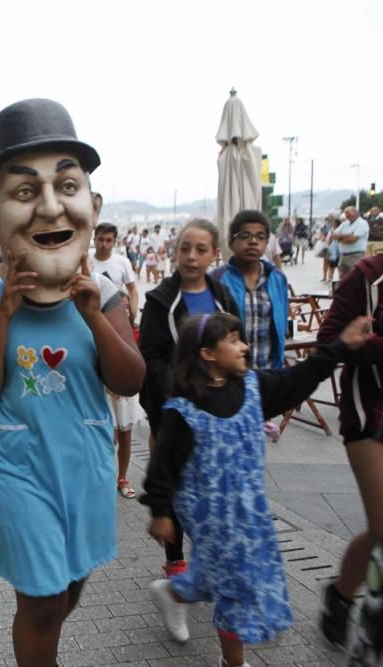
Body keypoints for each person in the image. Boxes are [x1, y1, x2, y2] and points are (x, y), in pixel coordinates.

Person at [0, 98, 145, 665]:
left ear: (92, 204)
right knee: (41, 599)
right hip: (16, 466)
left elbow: (131, 377)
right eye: (22, 192)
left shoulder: (104, 296)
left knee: (70, 584)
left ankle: (42, 642)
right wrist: (8, 313)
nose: (48, 207)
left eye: (66, 186)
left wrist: (93, 315)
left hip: (84, 461)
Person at [141, 312, 369, 667]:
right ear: (207, 353)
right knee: (234, 585)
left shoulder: (253, 388)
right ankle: (234, 662)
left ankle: (173, 592)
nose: (244, 346)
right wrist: (161, 512)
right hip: (209, 516)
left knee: (216, 575)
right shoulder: (183, 411)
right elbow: (162, 468)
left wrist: (339, 347)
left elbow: (299, 377)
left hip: (251, 511)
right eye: (233, 339)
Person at [138, 219, 239, 578]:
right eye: (184, 248)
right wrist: (178, 395)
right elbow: (149, 356)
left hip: (219, 412)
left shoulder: (224, 297)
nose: (191, 256)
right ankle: (175, 559)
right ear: (175, 251)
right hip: (174, 410)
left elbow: (234, 346)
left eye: (200, 249)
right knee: (175, 484)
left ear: (215, 254)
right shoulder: (160, 300)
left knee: (213, 485)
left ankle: (209, 555)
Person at [316, 254, 383, 654]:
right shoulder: (368, 275)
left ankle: (342, 595)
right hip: (369, 411)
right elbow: (330, 341)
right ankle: (369, 623)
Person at [210, 210, 290, 437]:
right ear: (231, 241)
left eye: (260, 236)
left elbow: (280, 325)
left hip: (264, 374)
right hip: (227, 377)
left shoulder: (277, 278)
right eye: (245, 235)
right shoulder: (218, 279)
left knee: (253, 439)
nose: (253, 241)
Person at [90, 222, 142, 499]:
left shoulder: (121, 263)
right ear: (95, 239)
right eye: (101, 239)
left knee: (125, 430)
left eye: (110, 240)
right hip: (94, 344)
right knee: (104, 430)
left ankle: (122, 477)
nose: (105, 244)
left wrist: (131, 309)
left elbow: (132, 289)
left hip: (118, 337)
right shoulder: (86, 263)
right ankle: (104, 475)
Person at [332, 205, 370, 277]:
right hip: (343, 257)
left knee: (355, 279)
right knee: (343, 281)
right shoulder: (344, 224)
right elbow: (333, 235)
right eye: (345, 213)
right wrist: (348, 235)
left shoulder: (362, 223)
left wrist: (339, 238)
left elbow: (353, 239)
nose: (347, 215)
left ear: (356, 212)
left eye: (348, 212)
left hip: (355, 256)